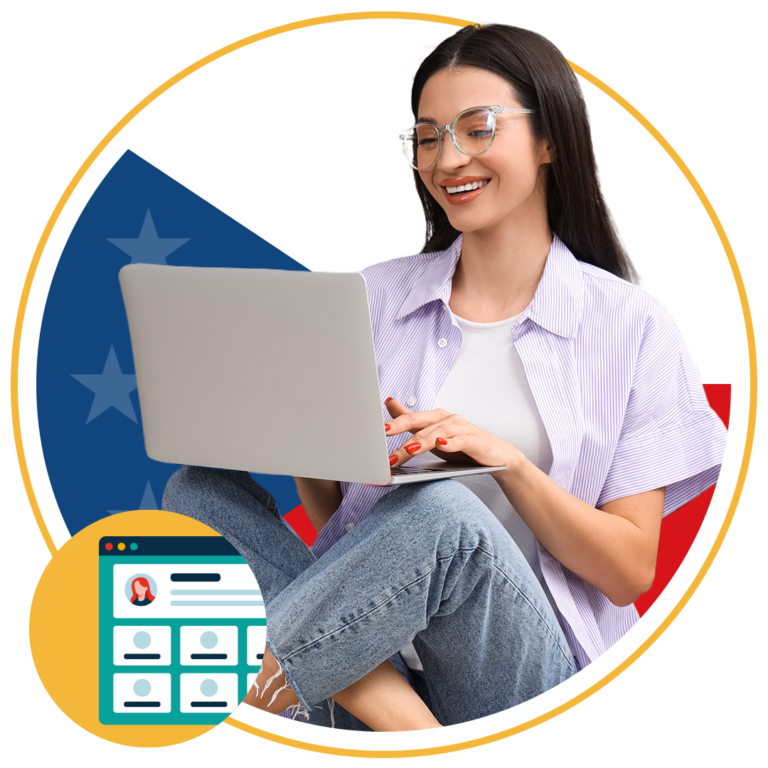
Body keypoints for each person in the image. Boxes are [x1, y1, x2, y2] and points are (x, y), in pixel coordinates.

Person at [162, 23, 727, 731]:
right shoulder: (370, 298)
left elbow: (628, 572)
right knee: (198, 491)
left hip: (522, 673)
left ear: (550, 139)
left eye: (476, 128)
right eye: (427, 137)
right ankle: (399, 724)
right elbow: (336, 514)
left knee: (440, 511)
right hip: (371, 652)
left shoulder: (632, 326)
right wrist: (316, 443)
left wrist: (508, 462)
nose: (447, 158)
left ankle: (263, 675)